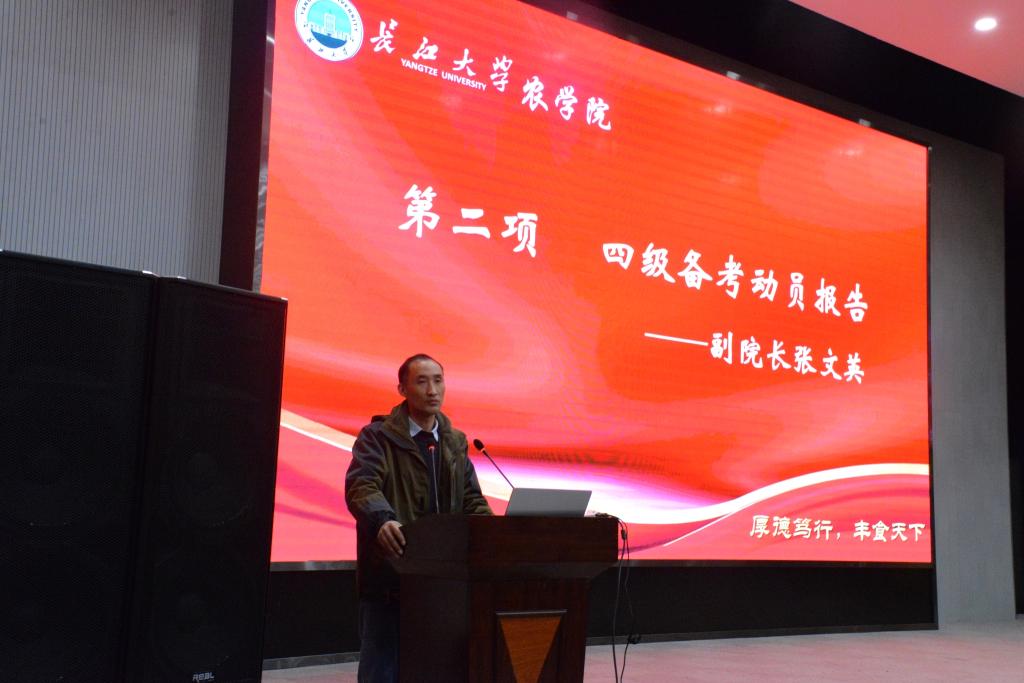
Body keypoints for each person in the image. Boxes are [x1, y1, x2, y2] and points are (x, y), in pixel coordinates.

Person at [345, 353, 492, 683]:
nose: (432, 390)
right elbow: (362, 485)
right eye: (422, 381)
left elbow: (471, 499)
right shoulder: (378, 436)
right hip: (391, 576)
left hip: (444, 580)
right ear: (402, 389)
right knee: (383, 670)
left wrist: (495, 534)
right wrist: (382, 520)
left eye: (438, 380)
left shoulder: (454, 442)